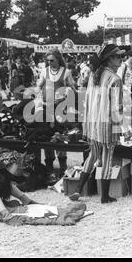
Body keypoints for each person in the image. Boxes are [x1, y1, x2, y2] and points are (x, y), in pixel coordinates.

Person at [69, 44, 124, 204]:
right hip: (106, 124)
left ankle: (78, 190)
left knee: (93, 155)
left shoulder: (94, 75)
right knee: (107, 158)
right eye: (118, 56)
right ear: (109, 59)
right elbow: (116, 107)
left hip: (92, 123)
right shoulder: (115, 79)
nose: (121, 59)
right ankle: (105, 196)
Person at [37, 48, 76, 177]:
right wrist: (39, 97)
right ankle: (49, 167)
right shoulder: (44, 71)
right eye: (48, 61)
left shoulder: (66, 72)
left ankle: (63, 166)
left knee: (60, 136)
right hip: (47, 108)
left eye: (52, 60)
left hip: (61, 108)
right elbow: (38, 86)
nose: (50, 63)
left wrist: (66, 96)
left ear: (58, 59)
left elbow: (73, 89)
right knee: (48, 136)